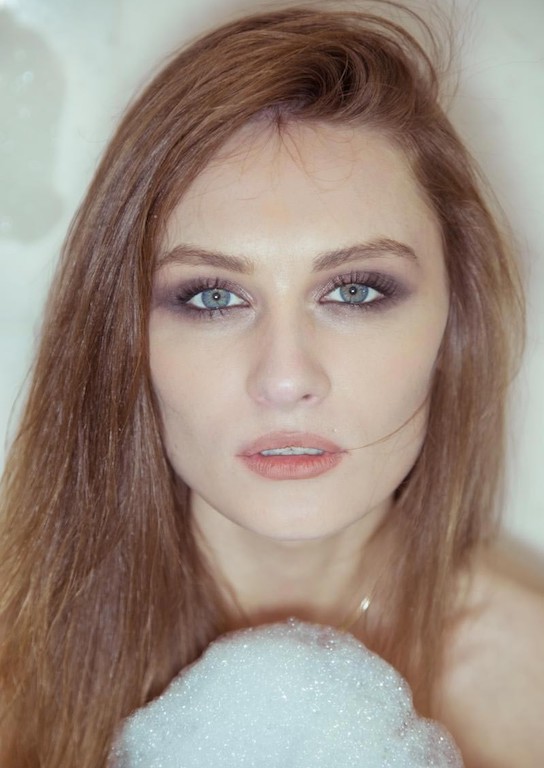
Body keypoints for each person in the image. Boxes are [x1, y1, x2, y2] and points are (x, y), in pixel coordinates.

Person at [0, 2, 542, 766]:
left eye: (355, 290)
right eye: (212, 297)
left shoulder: (527, 687)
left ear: (456, 322)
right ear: (122, 339)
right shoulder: (14, 664)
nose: (286, 379)